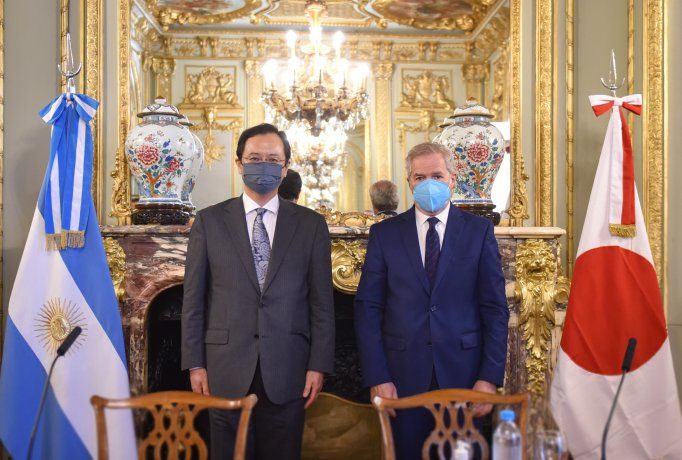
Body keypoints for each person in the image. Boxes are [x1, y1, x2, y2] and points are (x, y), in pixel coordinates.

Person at [181, 123, 335, 460]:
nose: (263, 165)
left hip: (289, 369)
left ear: (286, 167)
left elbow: (321, 304)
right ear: (239, 164)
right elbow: (193, 301)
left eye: (272, 159)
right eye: (254, 158)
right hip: (224, 368)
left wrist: (318, 365)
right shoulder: (208, 222)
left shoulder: (311, 225)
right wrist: (195, 365)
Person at [354, 142, 508, 460]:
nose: (429, 184)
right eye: (420, 177)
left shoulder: (479, 232)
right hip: (402, 377)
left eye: (437, 176)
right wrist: (378, 377)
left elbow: (494, 310)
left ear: (452, 179)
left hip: (465, 376)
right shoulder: (385, 234)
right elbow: (368, 309)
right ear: (409, 182)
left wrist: (489, 378)